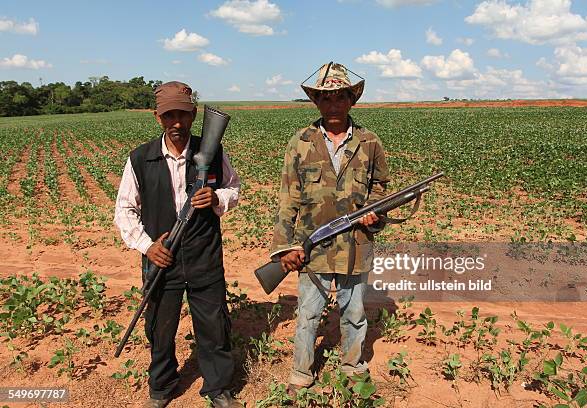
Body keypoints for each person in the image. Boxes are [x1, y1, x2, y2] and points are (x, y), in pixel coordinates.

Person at [114, 81, 241, 408]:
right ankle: (161, 388)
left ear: (194, 114)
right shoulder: (140, 159)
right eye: (168, 115)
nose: (176, 123)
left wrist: (216, 197)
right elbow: (124, 210)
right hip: (162, 258)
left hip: (204, 256)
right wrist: (146, 245)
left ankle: (217, 389)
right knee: (160, 328)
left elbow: (234, 189)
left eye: (182, 115)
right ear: (158, 117)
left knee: (213, 327)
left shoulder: (211, 152)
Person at [269, 63, 390, 393]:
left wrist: (373, 212)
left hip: (355, 245)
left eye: (340, 97)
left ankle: (352, 367)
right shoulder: (300, 143)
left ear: (352, 100)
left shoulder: (369, 142)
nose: (333, 105)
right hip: (313, 245)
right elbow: (287, 199)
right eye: (326, 98)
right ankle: (301, 374)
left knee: (353, 312)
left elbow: (380, 187)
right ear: (316, 102)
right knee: (308, 314)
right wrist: (285, 248)